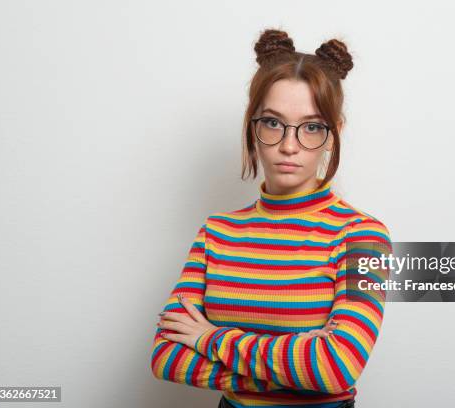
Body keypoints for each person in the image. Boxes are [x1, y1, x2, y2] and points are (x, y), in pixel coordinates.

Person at [150, 28, 392, 408]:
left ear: (334, 134)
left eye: (312, 126)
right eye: (272, 123)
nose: (289, 145)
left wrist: (209, 339)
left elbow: (338, 368)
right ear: (253, 125)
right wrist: (295, 376)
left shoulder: (362, 236)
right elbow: (167, 357)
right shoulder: (216, 233)